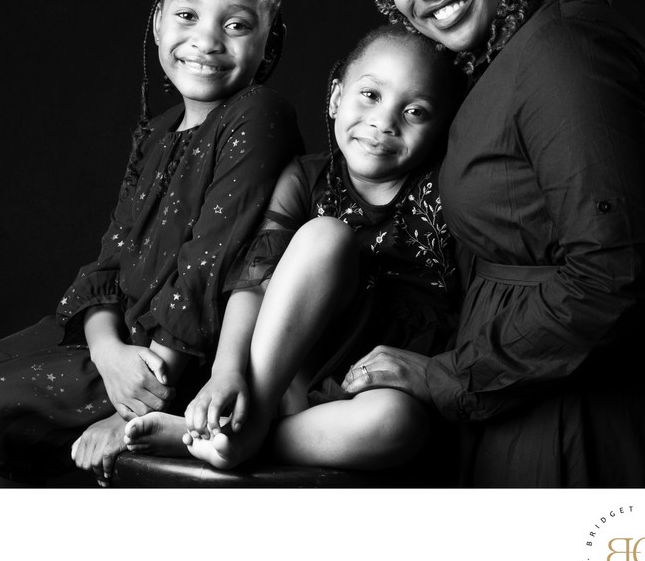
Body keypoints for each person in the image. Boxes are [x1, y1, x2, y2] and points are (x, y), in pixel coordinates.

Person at [345, 0, 645, 487]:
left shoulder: (565, 51)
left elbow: (615, 271)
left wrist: (448, 375)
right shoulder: (513, 59)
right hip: (532, 412)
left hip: (587, 430)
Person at [0, 0, 304, 487]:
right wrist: (105, 350)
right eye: (187, 16)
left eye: (236, 24)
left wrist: (131, 407)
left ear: (269, 44)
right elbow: (108, 265)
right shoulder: (154, 134)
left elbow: (206, 274)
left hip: (180, 355)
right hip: (116, 338)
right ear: (157, 21)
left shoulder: (257, 115)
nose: (206, 40)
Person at [125, 24, 464, 483]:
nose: (385, 122)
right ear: (335, 97)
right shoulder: (305, 179)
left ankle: (235, 437)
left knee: (394, 425)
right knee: (325, 236)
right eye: (370, 95)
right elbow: (254, 280)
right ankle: (251, 417)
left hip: (379, 384)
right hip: (294, 378)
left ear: (442, 127)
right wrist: (226, 372)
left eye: (416, 111)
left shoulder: (447, 193)